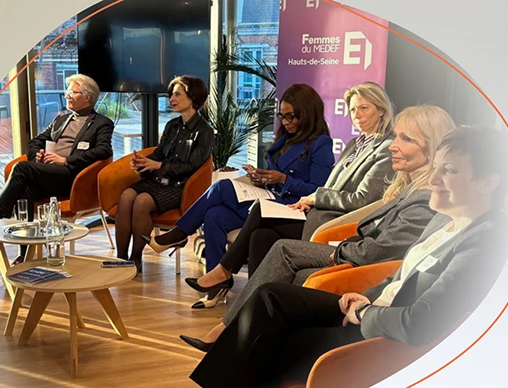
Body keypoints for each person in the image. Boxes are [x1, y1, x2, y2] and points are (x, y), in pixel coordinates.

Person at [186, 126, 508, 388]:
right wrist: (362, 298)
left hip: (385, 336)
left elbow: (420, 322)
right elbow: (400, 277)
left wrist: (365, 312)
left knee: (274, 340)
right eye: (438, 168)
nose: (434, 179)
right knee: (271, 297)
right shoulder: (446, 218)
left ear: (488, 182)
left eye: (451, 171)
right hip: (371, 309)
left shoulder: (484, 241)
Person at [181, 104, 454, 342]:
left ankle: (228, 322)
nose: (393, 145)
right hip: (338, 232)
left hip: (351, 246)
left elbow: (373, 235)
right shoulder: (398, 179)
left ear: (433, 147)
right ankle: (245, 326)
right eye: (396, 137)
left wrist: (312, 203)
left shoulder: (424, 196)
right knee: (248, 229)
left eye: (405, 139)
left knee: (279, 245)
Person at [183, 82, 396, 308]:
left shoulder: (385, 148)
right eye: (353, 109)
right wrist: (306, 200)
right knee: (259, 235)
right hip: (312, 210)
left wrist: (314, 197)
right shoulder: (355, 144)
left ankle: (222, 269)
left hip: (333, 222)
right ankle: (253, 305)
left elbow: (361, 200)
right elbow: (331, 186)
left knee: (249, 206)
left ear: (381, 110)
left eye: (364, 108)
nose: (356, 115)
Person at [144, 83, 334, 277]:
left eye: (290, 116)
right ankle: (216, 283)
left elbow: (318, 190)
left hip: (292, 209)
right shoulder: (285, 139)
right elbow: (277, 177)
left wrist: (284, 179)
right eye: (281, 116)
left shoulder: (320, 143)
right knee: (214, 215)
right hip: (270, 200)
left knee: (222, 187)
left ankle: (181, 233)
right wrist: (262, 178)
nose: (285, 121)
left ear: (308, 113)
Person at [0, 74, 114, 263]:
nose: (67, 96)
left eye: (72, 92)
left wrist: (66, 160)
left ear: (87, 97)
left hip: (73, 178)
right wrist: (36, 155)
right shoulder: (61, 120)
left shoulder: (102, 123)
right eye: (67, 91)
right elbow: (34, 142)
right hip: (49, 174)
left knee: (21, 168)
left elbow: (104, 150)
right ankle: (26, 254)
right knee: (25, 191)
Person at [114, 75, 213, 272]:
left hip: (180, 186)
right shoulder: (172, 125)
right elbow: (159, 153)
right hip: (157, 180)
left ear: (192, 97)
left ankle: (136, 258)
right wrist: (144, 162)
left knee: (141, 201)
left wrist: (158, 165)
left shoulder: (205, 131)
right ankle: (120, 257)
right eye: (171, 95)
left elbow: (192, 166)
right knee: (126, 196)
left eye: (177, 94)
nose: (171, 99)